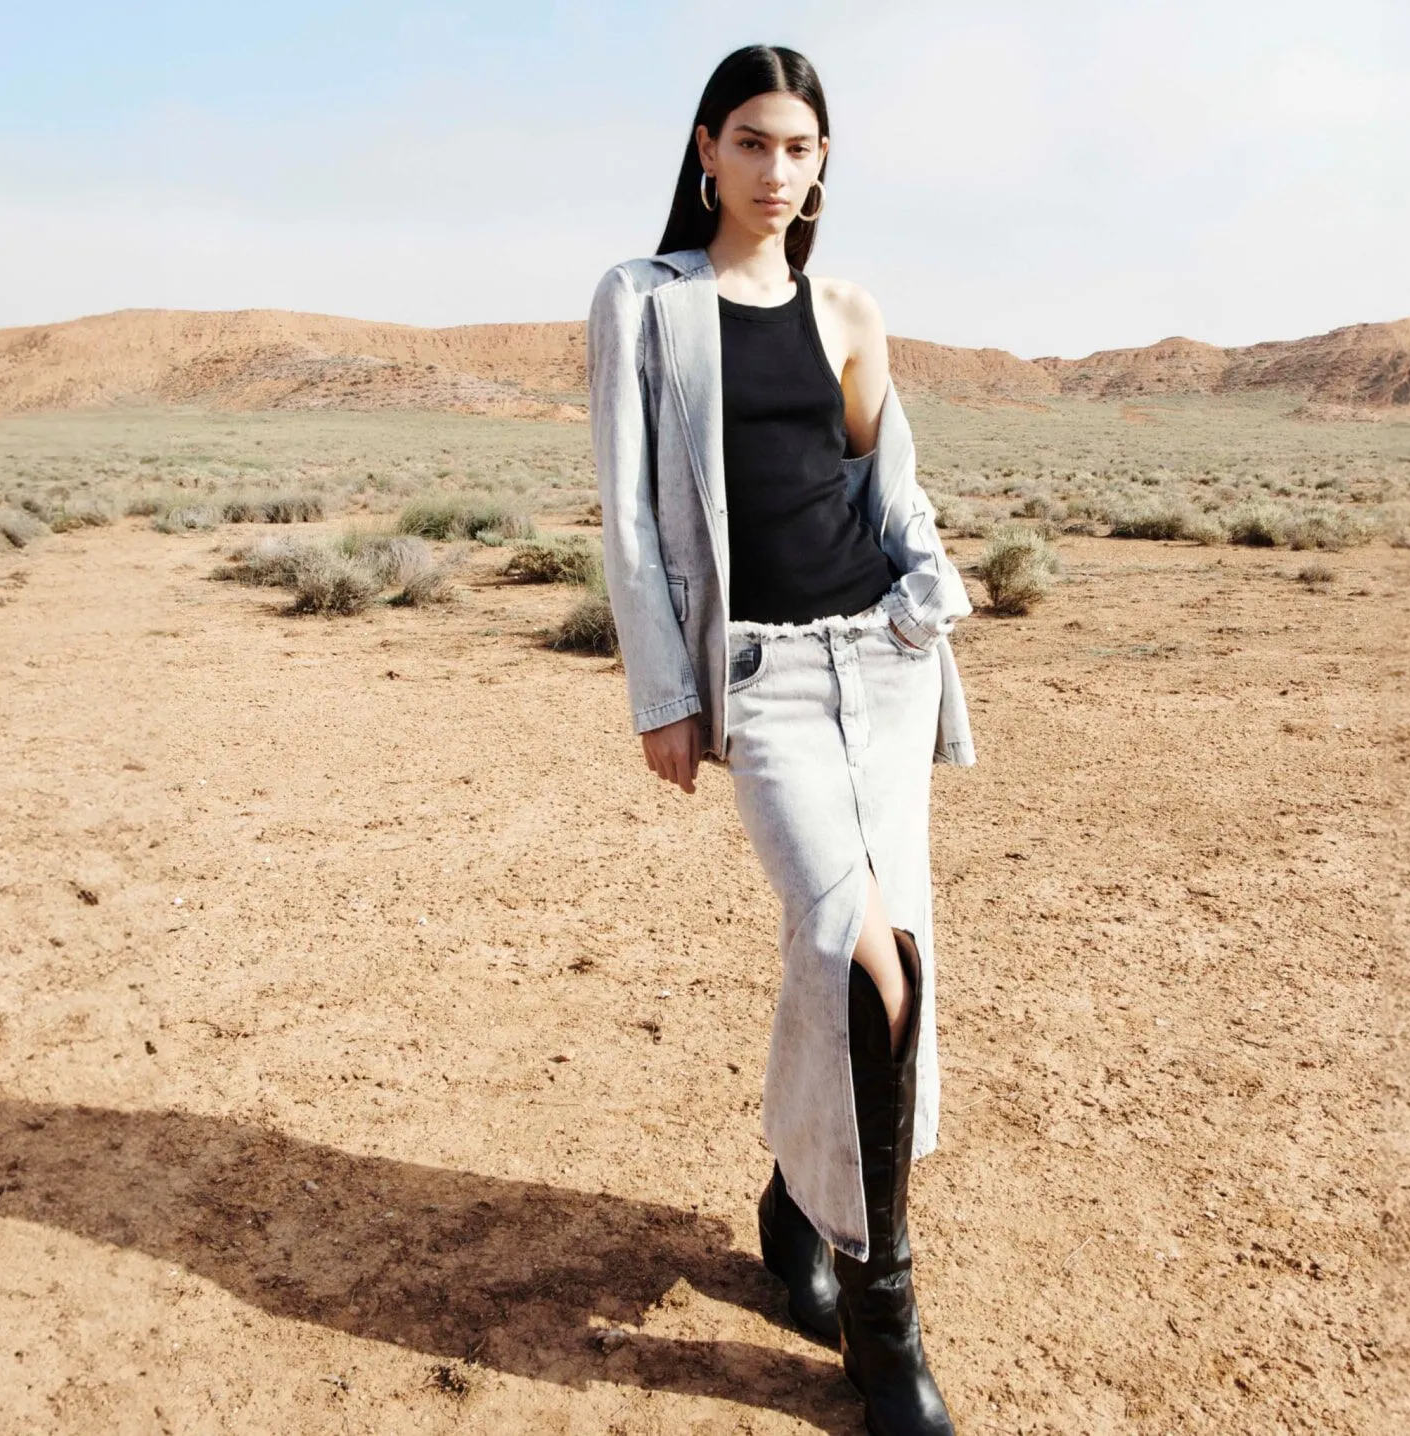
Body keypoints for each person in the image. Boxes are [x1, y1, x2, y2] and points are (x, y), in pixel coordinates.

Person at [586, 43, 975, 1436]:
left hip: (875, 664)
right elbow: (632, 519)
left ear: (821, 167)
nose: (774, 170)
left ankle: (795, 1203)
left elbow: (887, 481)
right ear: (704, 151)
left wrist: (932, 584)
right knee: (865, 952)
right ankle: (887, 1320)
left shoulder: (848, 309)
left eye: (798, 148)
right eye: (750, 142)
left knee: (866, 951)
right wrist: (660, 695)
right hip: (759, 682)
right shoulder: (645, 304)